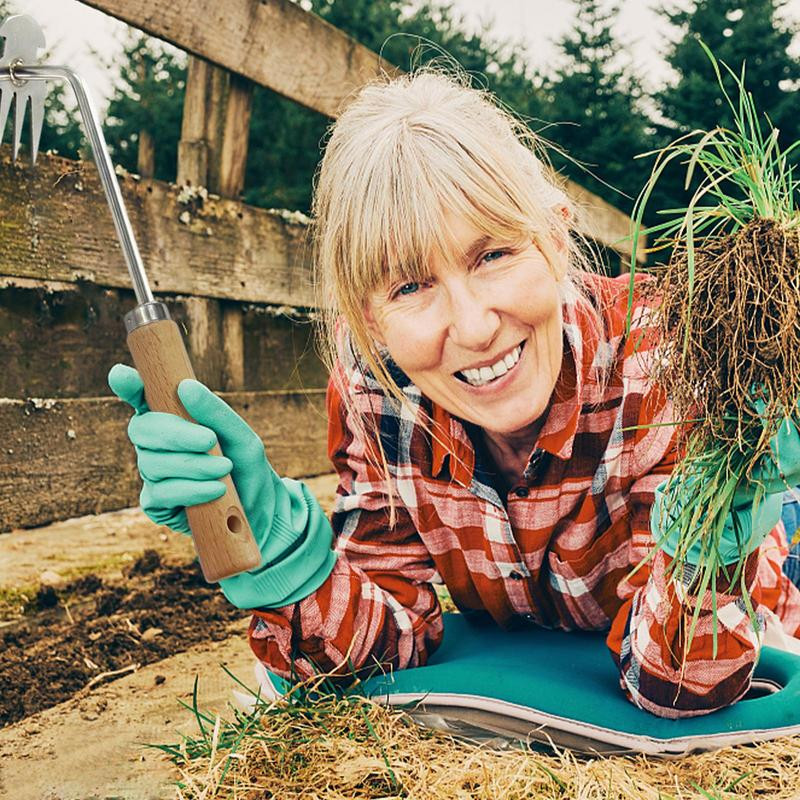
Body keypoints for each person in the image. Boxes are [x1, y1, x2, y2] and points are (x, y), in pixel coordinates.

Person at [108, 70, 800, 719]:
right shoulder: (378, 392)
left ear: (557, 235)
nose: (471, 328)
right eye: (409, 286)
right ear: (369, 317)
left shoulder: (672, 358)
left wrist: (710, 547)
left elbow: (681, 684)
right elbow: (387, 650)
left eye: (492, 254)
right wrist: (284, 562)